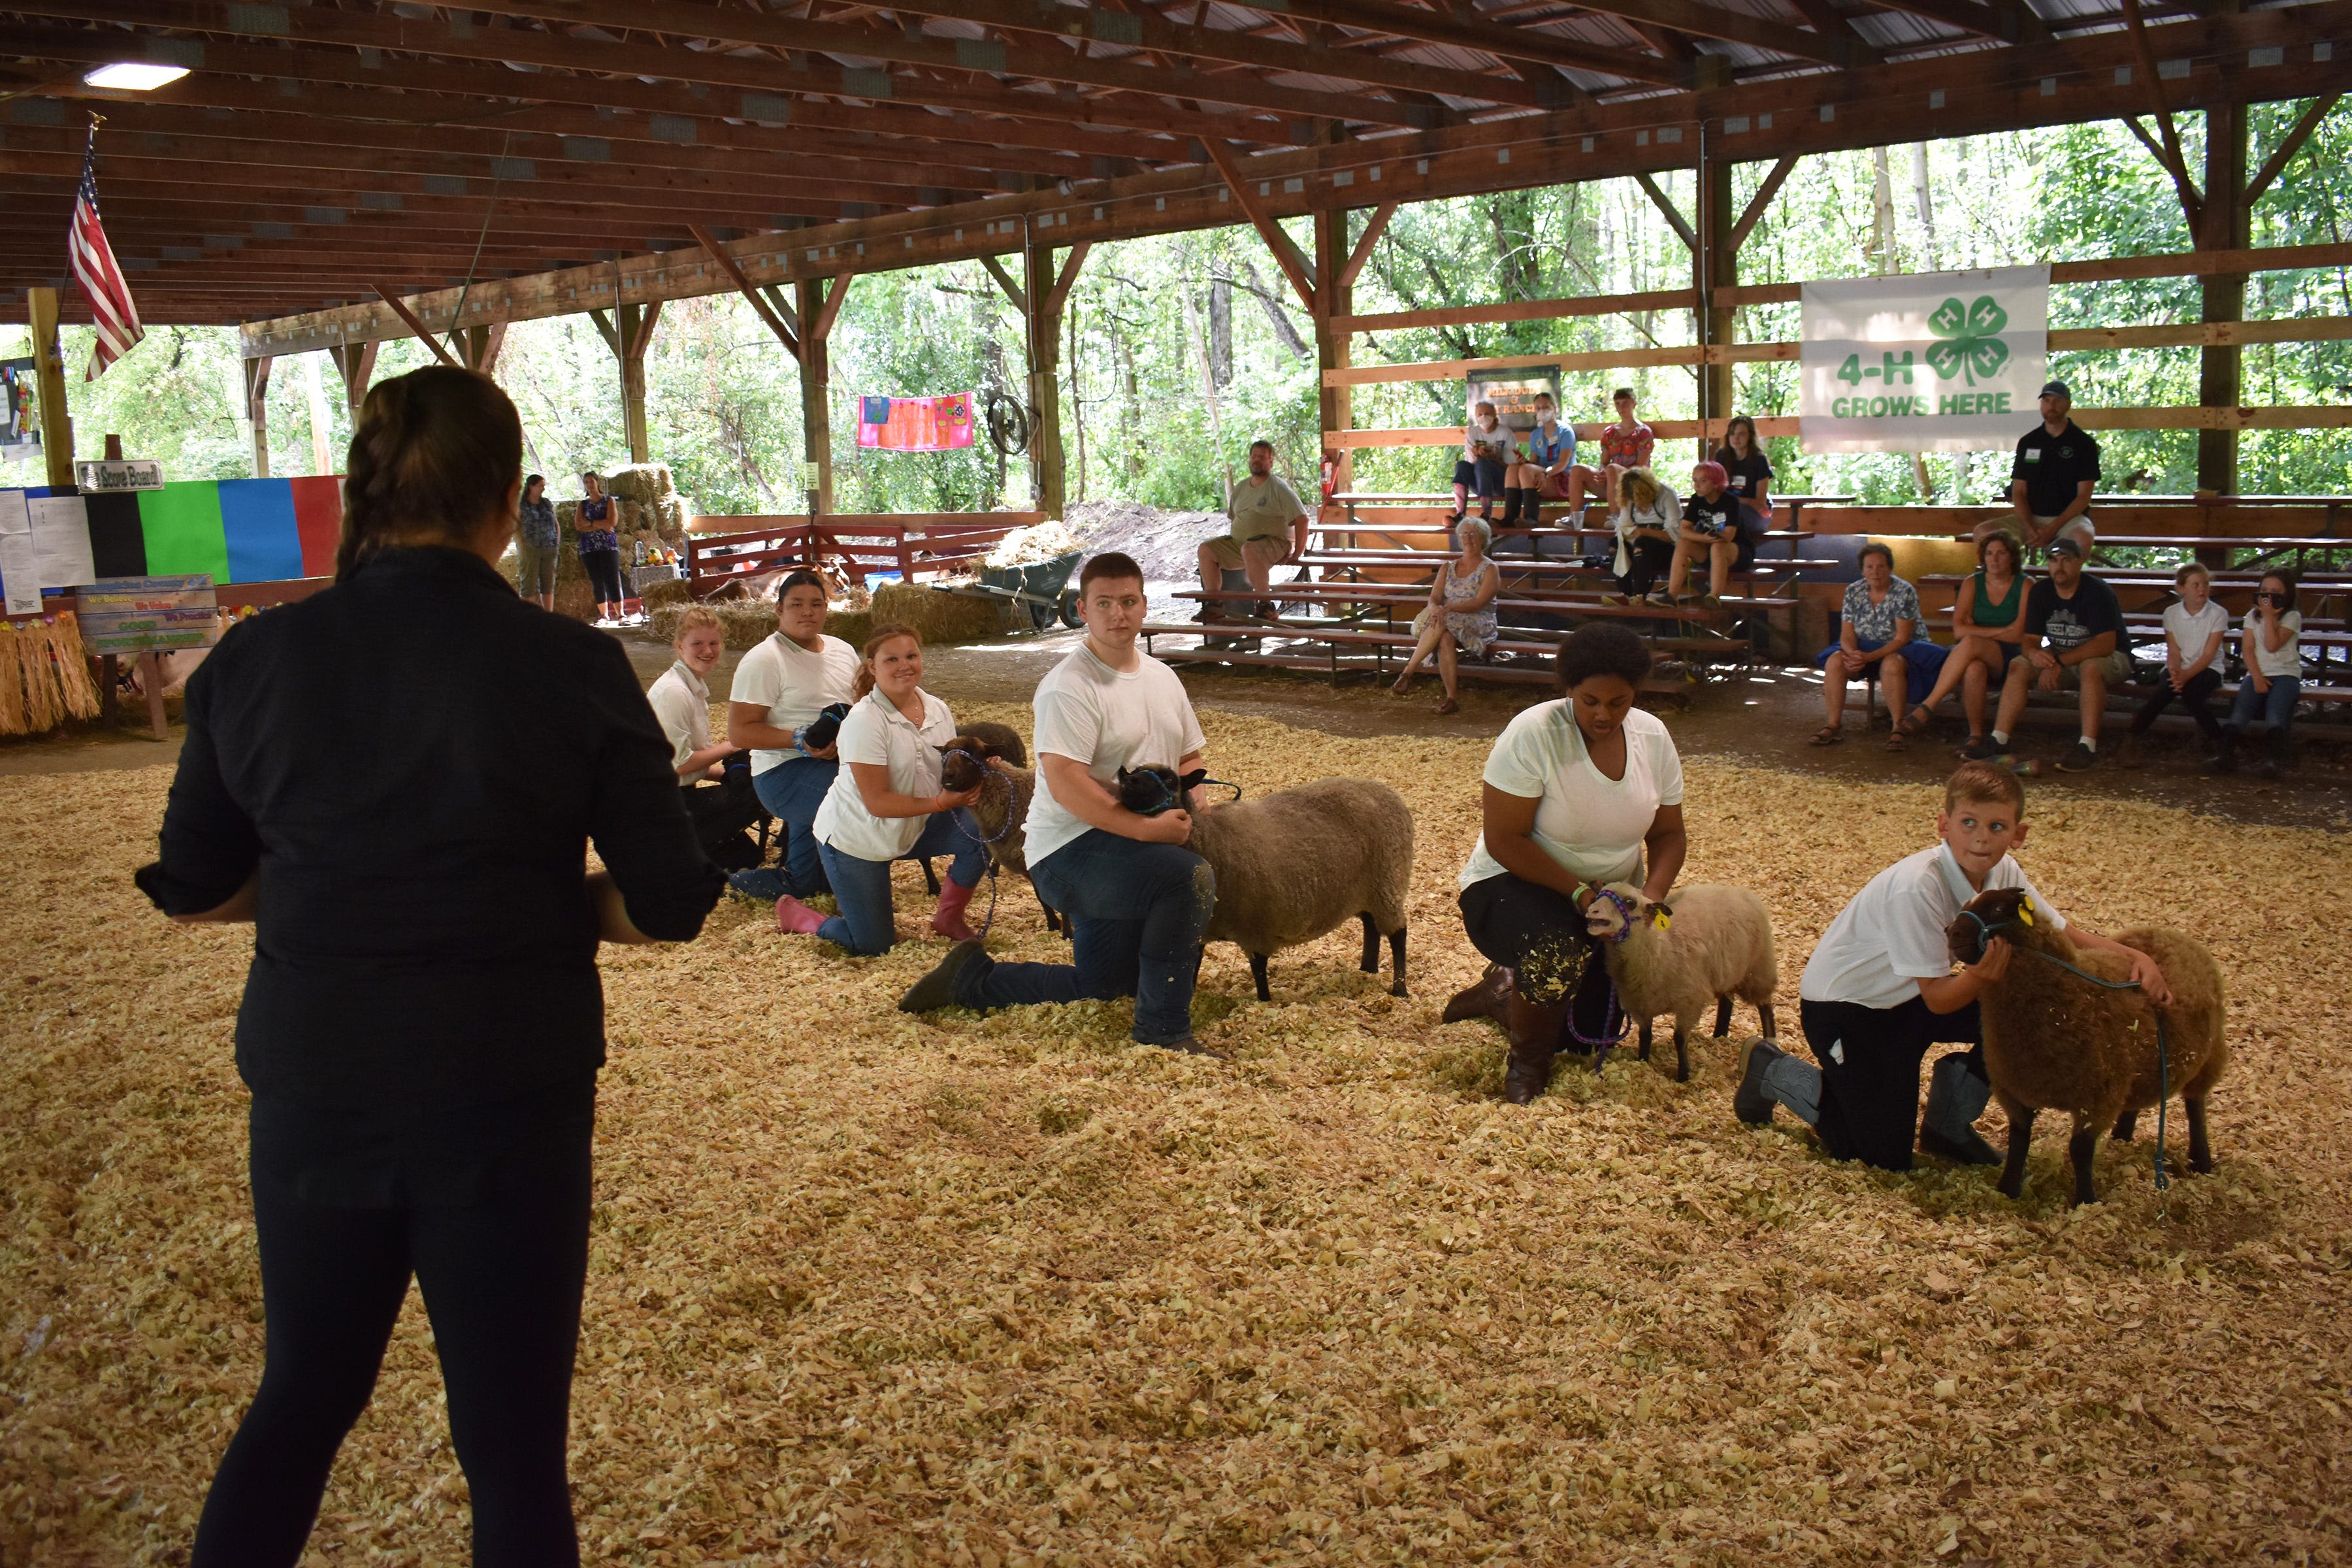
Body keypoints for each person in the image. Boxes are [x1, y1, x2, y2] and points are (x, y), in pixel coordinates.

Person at [134, 366, 722, 1568]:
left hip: (319, 1078)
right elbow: (669, 905)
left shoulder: (255, 663)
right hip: (506, 1089)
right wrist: (537, 912)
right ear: (511, 504)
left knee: (299, 1402)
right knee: (511, 1453)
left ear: (367, 490)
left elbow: (191, 888)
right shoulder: (572, 666)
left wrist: (334, 899)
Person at [1737, 762, 2172, 1170]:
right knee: (1876, 1155)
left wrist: (2137, 957)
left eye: (1996, 827)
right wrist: (1982, 977)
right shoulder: (1917, 888)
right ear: (1945, 826)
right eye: (1969, 824)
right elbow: (1940, 998)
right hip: (1853, 1010)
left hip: (1920, 996)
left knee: (2037, 1015)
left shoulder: (2006, 874)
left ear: (2017, 835)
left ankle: (1947, 1125)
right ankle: (1774, 1070)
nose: (1981, 838)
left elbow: (2064, 934)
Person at [897, 552, 1222, 1058]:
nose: (1119, 614)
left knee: (1105, 985)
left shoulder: (1162, 677)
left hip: (1124, 848)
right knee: (1188, 878)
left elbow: (1188, 757)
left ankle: (973, 981)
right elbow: (1067, 783)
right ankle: (1164, 1030)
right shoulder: (1068, 687)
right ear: (1082, 609)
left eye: (1129, 602)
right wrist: (1146, 832)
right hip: (1070, 850)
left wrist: (1199, 805)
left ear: (1143, 606)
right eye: (1105, 603)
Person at [1446, 623, 1686, 1105]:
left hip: (1609, 896)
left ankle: (1502, 993)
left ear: (1635, 694)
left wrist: (1651, 899)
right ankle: (1526, 1067)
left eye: (1618, 702)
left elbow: (1668, 834)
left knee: (1587, 1034)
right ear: (1569, 691)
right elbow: (1504, 838)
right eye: (1589, 701)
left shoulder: (1653, 737)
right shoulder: (1533, 732)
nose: (1603, 714)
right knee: (1557, 951)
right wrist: (1579, 893)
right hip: (1513, 880)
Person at [777, 623, 992, 951]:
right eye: (891, 660)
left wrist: (980, 774)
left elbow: (946, 767)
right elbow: (877, 803)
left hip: (912, 825)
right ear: (872, 667)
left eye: (911, 655)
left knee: (983, 830)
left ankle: (949, 917)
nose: (905, 665)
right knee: (872, 945)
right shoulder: (864, 720)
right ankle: (801, 917)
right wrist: (941, 803)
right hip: (857, 839)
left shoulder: (937, 708)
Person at [725, 569, 860, 901]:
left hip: (836, 764)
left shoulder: (842, 650)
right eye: (797, 604)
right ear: (779, 610)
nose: (807, 611)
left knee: (805, 883)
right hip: (783, 772)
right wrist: (802, 740)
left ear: (827, 608)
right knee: (858, 798)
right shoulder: (764, 659)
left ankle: (764, 881)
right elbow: (740, 731)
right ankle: (860, 887)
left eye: (816, 604)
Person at [1987, 535, 2132, 773]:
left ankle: (2087, 746)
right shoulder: (2041, 591)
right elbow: (2030, 640)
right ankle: (1999, 739)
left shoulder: (2098, 591)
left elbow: (2105, 645)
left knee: (2091, 668)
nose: (2059, 566)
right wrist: (2035, 656)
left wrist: (2058, 663)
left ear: (2080, 562)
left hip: (2112, 657)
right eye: (2053, 560)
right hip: (2061, 657)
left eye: (2066, 560)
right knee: (2018, 665)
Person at [647, 605, 766, 869]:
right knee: (758, 795)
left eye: (714, 643)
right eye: (697, 643)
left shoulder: (692, 686)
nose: (708, 650)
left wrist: (725, 774)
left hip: (678, 794)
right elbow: (678, 766)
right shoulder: (674, 692)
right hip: (660, 805)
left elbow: (687, 765)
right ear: (679, 647)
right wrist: (734, 744)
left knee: (748, 859)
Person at [1895, 530, 2027, 751]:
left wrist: (1976, 630)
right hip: (1976, 653)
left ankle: (1929, 705)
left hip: (2011, 657)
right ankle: (1975, 734)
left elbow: (2017, 635)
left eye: (2001, 554)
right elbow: (1959, 631)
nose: (1994, 559)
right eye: (1989, 554)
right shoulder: (1973, 583)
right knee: (1974, 669)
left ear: (2012, 557)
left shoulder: (2025, 585)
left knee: (1971, 643)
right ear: (1983, 557)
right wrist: (2002, 629)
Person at [1812, 542, 1946, 749]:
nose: (1875, 572)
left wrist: (1868, 658)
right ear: (1862, 570)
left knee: (1892, 664)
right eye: (1869, 567)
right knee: (1835, 661)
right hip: (1863, 648)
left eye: (1881, 566)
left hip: (1902, 649)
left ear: (1890, 568)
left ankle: (1897, 727)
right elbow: (1847, 635)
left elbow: (1902, 639)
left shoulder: (1903, 591)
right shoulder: (1854, 591)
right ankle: (1833, 724)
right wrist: (1854, 655)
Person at [2117, 561, 2229, 769]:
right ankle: (2131, 740)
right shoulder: (2171, 613)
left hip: (2209, 669)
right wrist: (2177, 673)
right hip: (2178, 667)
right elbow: (2174, 649)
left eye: (2205, 584)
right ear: (2181, 588)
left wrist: (2185, 677)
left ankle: (2222, 745)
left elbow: (2208, 654)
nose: (2202, 589)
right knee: (2163, 693)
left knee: (2191, 696)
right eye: (2195, 585)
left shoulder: (2218, 613)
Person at [1390, 516, 1500, 715]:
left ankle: (1408, 671)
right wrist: (1435, 608)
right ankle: (1451, 698)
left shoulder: (1490, 569)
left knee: (1444, 620)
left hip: (1479, 620)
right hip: (1446, 619)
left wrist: (1447, 609)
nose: (1468, 538)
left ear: (1483, 538)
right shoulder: (1447, 567)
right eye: (1464, 534)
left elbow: (1479, 603)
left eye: (1473, 534)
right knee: (1445, 638)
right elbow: (1434, 598)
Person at [1196, 438, 1309, 621]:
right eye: (1254, 456)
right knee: (1206, 550)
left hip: (1275, 543)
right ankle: (1214, 604)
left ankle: (1266, 605)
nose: (1257, 459)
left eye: (1262, 457)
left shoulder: (1278, 487)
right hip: (1241, 545)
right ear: (1249, 459)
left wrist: (1298, 552)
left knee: (1249, 548)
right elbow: (1235, 519)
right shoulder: (1241, 488)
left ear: (1271, 461)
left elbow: (1303, 519)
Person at [2212, 570, 2303, 778]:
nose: (2269, 596)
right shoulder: (2251, 617)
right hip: (2257, 673)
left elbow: (2272, 645)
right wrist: (2257, 677)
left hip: (2285, 674)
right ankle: (2224, 756)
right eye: (2264, 591)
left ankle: (2273, 761)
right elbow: (2248, 650)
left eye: (2275, 592)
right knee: (2240, 712)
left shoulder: (2292, 617)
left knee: (2275, 715)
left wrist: (2270, 616)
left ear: (2287, 594)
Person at [1997, 381, 2099, 556]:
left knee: (2082, 539)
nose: (2051, 406)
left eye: (2057, 401)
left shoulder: (2084, 444)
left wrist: (2052, 528)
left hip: (2069, 520)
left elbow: (2083, 498)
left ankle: (2066, 582)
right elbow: (2019, 492)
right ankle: (2015, 582)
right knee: (1985, 533)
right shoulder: (2028, 442)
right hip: (2030, 518)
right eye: (2046, 401)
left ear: (2068, 404)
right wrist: (2029, 527)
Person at [1659, 460, 1760, 607]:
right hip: (1710, 548)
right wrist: (1702, 538)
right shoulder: (1696, 499)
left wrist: (1706, 539)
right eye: (1695, 480)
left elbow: (1728, 535)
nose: (1697, 485)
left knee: (1718, 546)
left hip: (1736, 552)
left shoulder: (1730, 501)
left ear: (1716, 483)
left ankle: (1714, 596)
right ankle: (1672, 596)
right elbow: (1684, 530)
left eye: (1703, 481)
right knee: (1684, 543)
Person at [1564, 387, 1653, 521]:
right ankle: (1575, 519)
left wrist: (1612, 472)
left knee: (1612, 469)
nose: (1621, 407)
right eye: (1618, 403)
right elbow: (1604, 462)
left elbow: (1641, 467)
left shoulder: (1643, 432)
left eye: (1625, 403)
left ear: (1634, 404)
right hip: (1611, 484)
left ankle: (1616, 518)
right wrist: (1602, 473)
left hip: (1635, 484)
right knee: (1577, 470)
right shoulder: (1610, 432)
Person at [1600, 466, 1678, 605]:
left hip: (1665, 550)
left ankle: (1640, 594)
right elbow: (1623, 525)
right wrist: (1626, 534)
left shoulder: (1667, 495)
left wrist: (1645, 532)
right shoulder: (1628, 499)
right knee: (1615, 544)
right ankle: (1625, 593)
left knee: (1642, 544)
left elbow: (1675, 535)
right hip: (1637, 544)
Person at [1503, 390, 1575, 531]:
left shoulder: (1565, 432)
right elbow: (1534, 464)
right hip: (1540, 477)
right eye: (1538, 408)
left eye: (1546, 407)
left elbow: (1563, 463)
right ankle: (1509, 518)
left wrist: (1546, 473)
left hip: (1561, 477)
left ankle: (1532, 519)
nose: (1542, 411)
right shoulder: (1536, 435)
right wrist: (1525, 461)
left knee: (1525, 470)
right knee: (1513, 468)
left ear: (1555, 409)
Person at [1448, 400, 1516, 526]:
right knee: (1461, 465)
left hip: (1502, 483)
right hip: (1480, 483)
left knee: (1484, 464)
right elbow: (1472, 466)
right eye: (1480, 415)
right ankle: (1460, 514)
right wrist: (1477, 455)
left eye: (1487, 414)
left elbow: (1512, 469)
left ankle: (1486, 514)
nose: (1483, 417)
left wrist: (1495, 459)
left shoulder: (1505, 433)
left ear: (1495, 415)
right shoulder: (1473, 434)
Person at [574, 470, 627, 626]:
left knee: (612, 579)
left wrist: (590, 523)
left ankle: (621, 614)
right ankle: (604, 615)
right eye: (586, 483)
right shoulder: (582, 505)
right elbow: (578, 526)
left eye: (591, 481)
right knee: (597, 580)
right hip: (589, 548)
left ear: (598, 483)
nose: (589, 485)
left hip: (608, 545)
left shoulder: (608, 501)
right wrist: (600, 524)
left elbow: (612, 522)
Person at [514, 473, 559, 611]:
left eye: (544, 486)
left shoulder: (546, 503)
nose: (543, 489)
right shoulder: (522, 505)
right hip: (530, 548)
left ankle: (549, 616)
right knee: (529, 585)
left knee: (548, 584)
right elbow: (514, 526)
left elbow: (556, 523)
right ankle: (529, 618)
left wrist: (557, 541)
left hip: (549, 547)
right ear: (531, 486)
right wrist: (522, 544)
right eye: (540, 486)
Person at [1713, 415, 1773, 514]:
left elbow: (1760, 502)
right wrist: (1749, 501)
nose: (1736, 438)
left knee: (1736, 517)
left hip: (1755, 511)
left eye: (1742, 434)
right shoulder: (1721, 456)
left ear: (1750, 436)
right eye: (1732, 434)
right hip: (1729, 507)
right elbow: (1716, 492)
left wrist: (1748, 503)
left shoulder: (1759, 459)